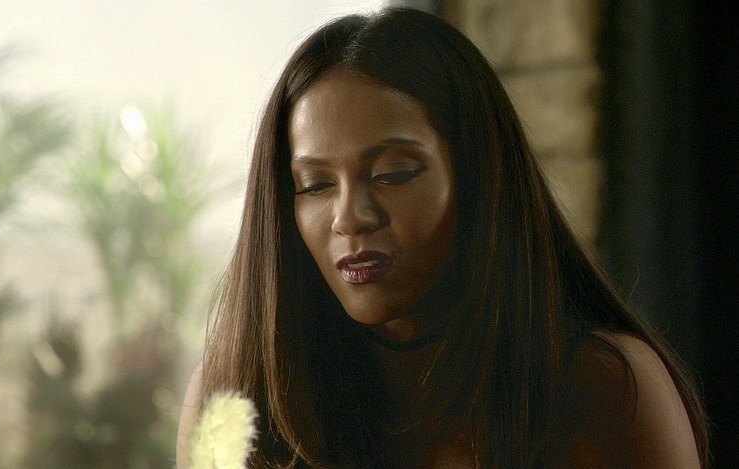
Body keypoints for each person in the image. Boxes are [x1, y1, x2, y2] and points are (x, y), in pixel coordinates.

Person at [177, 7, 708, 468]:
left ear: (479, 177)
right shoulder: (234, 398)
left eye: (393, 174)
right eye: (316, 185)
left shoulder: (601, 387)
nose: (350, 218)